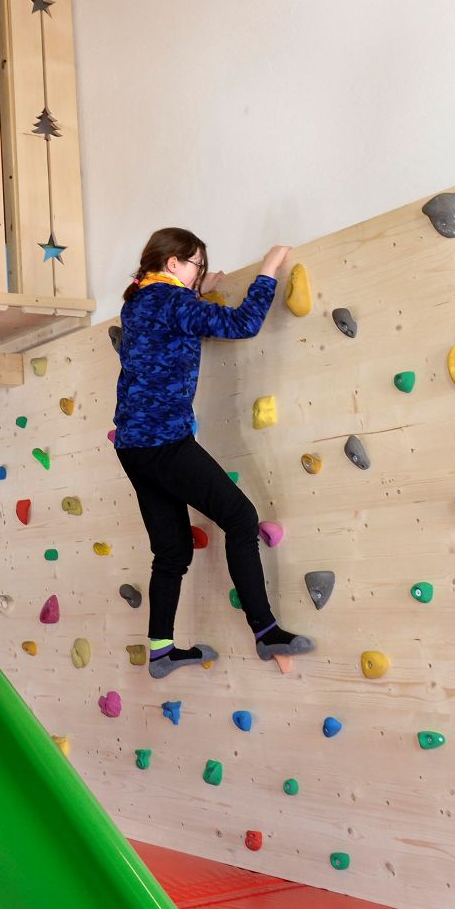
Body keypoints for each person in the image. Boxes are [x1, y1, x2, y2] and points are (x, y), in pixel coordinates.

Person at [113, 227, 315, 678]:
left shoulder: (138, 302)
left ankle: (162, 650)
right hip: (165, 442)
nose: (200, 272)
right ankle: (267, 632)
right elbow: (243, 324)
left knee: (172, 552)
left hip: (132, 447)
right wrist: (268, 270)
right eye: (196, 264)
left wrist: (200, 288)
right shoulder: (174, 302)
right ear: (174, 264)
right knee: (240, 518)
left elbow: (171, 320)